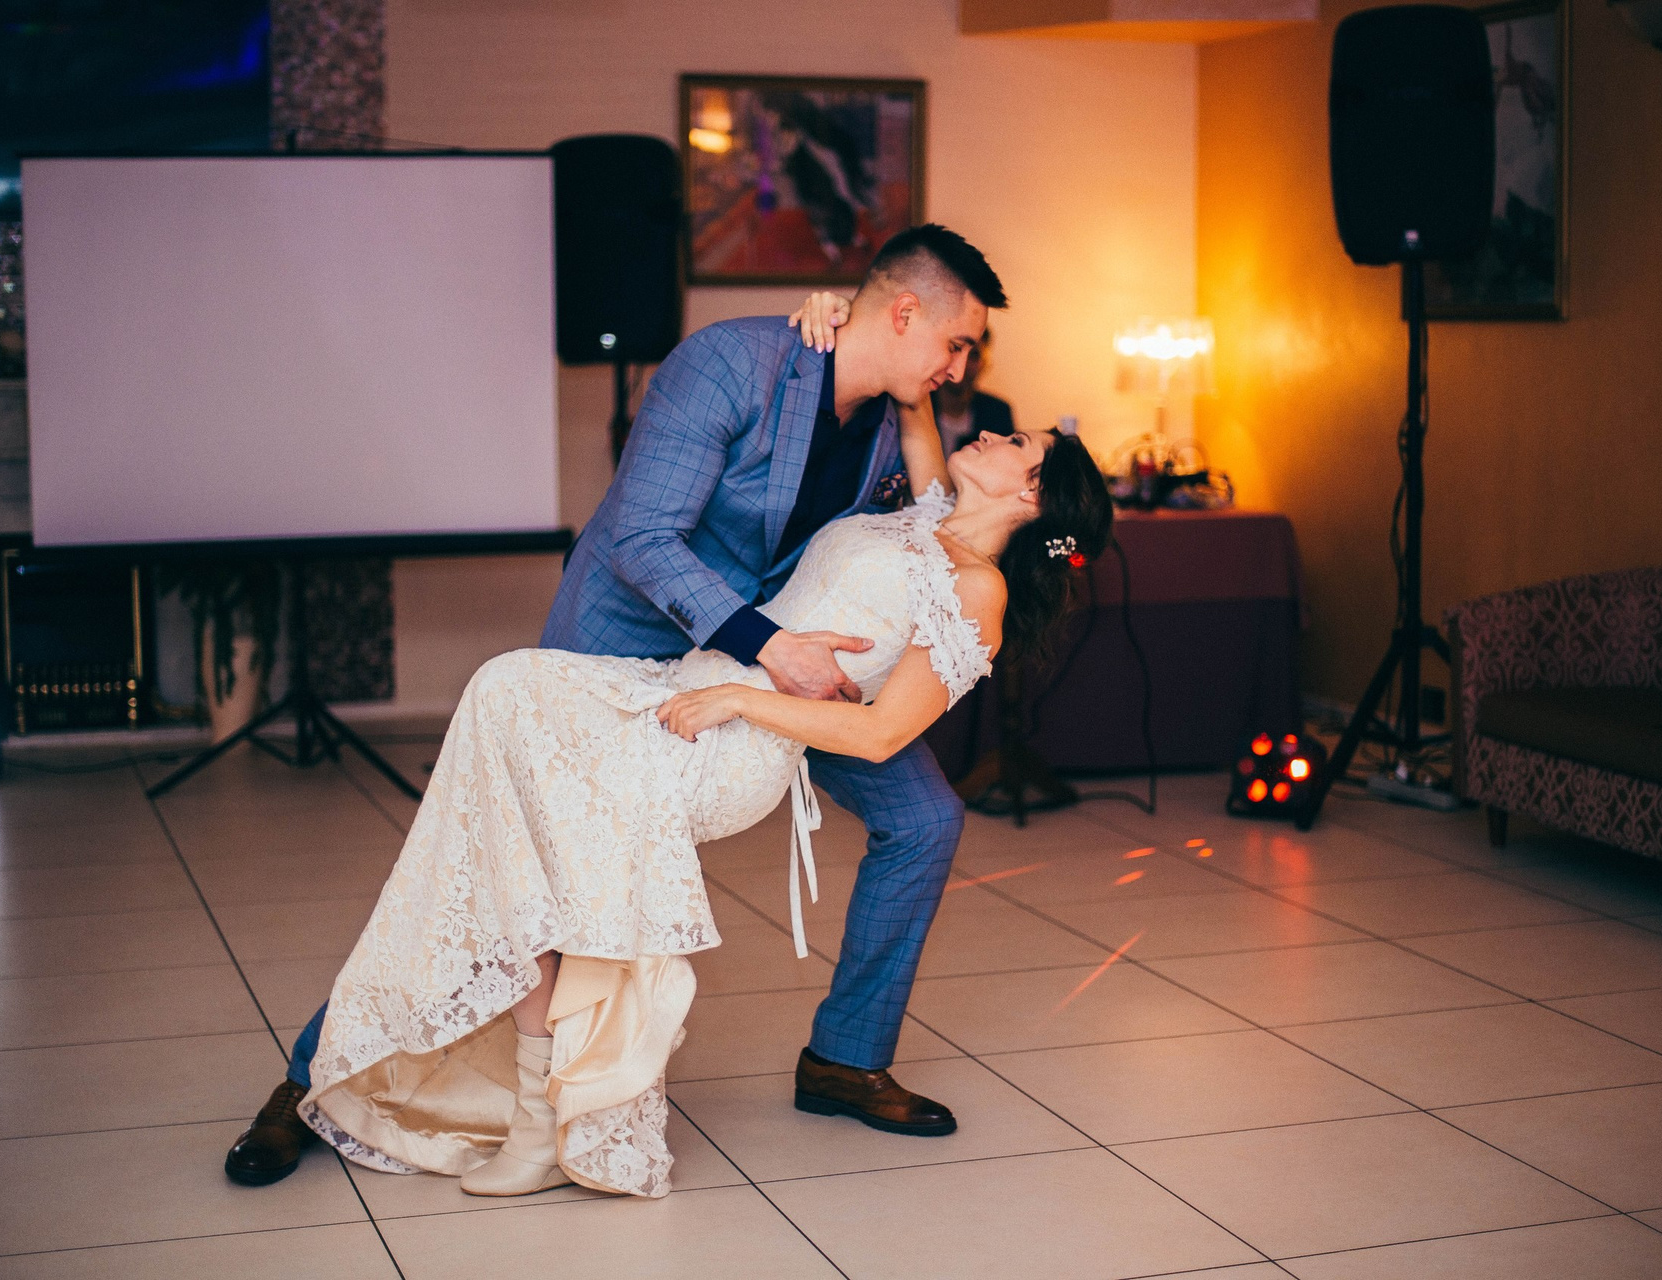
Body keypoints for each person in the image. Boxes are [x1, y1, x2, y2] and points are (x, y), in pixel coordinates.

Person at [220, 225, 1107, 1197]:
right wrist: (765, 653)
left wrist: (775, 664)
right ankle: (320, 1075)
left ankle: (844, 1059)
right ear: (903, 314)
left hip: (795, 675)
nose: (964, 370)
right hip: (653, 634)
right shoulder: (736, 364)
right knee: (510, 845)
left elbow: (951, 544)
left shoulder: (903, 430)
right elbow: (642, 537)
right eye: (957, 343)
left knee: (926, 816)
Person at [934, 326, 1014, 455]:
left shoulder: (998, 413)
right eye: (956, 349)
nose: (963, 364)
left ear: (984, 363)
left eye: (974, 355)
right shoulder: (918, 405)